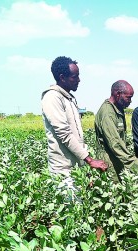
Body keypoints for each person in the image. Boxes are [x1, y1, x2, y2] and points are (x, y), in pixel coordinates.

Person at [41, 56, 107, 194]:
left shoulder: (69, 98)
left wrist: (84, 165)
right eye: (75, 76)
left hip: (76, 167)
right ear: (62, 77)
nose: (79, 80)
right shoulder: (52, 97)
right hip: (63, 169)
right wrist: (90, 160)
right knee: (71, 211)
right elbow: (64, 133)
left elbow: (76, 134)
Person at [94, 80, 138, 181]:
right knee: (114, 194)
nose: (130, 101)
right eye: (128, 97)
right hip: (109, 162)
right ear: (118, 94)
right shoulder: (107, 113)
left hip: (118, 159)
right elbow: (115, 143)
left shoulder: (117, 109)